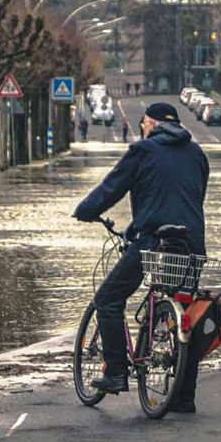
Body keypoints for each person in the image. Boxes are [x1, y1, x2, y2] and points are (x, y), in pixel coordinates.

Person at [73, 102, 209, 412]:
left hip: (153, 241)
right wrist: (136, 224)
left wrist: (86, 211)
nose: (143, 128)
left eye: (144, 123)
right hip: (191, 244)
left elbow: (112, 188)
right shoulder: (197, 153)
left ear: (153, 123)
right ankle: (183, 397)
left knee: (108, 299)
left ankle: (116, 371)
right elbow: (187, 197)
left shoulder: (143, 150)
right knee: (187, 314)